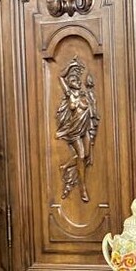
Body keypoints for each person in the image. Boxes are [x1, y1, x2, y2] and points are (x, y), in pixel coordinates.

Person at [55, 58, 100, 202]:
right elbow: (60, 76)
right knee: (81, 156)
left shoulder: (84, 94)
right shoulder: (69, 94)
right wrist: (70, 65)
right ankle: (83, 188)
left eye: (77, 80)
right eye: (73, 80)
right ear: (69, 83)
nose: (77, 82)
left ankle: (65, 166)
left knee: (86, 155)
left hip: (85, 129)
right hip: (74, 131)